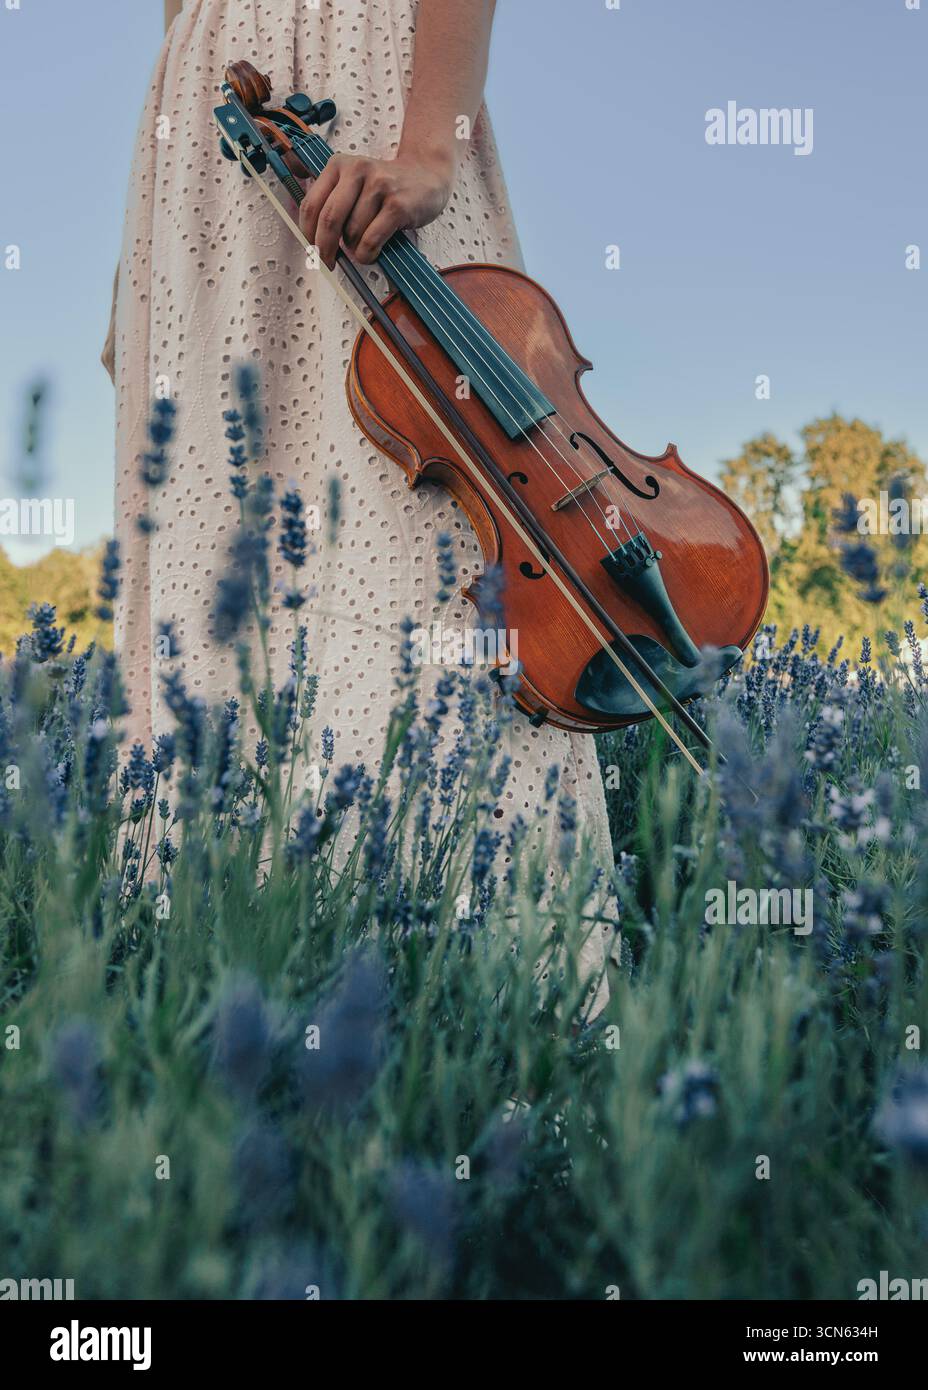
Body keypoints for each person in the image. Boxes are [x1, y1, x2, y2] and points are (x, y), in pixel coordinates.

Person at [105, 0, 617, 1003]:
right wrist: (143, 269)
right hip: (212, 136)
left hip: (375, 81)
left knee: (430, 530)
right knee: (213, 568)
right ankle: (233, 1025)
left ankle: (488, 1024)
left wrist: (428, 145)